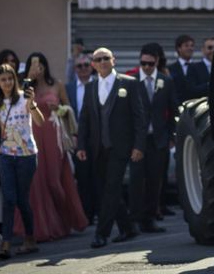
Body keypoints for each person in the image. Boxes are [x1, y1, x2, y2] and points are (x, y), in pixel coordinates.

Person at [76, 47, 146, 248]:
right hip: (98, 147)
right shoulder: (91, 87)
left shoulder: (129, 84)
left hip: (121, 147)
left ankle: (101, 234)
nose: (103, 61)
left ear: (113, 60)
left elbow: (139, 118)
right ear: (93, 65)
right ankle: (128, 227)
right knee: (107, 190)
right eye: (99, 59)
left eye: (106, 58)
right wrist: (81, 145)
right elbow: (85, 119)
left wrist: (138, 145)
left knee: (111, 188)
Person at [15, 52, 87, 242]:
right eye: (33, 65)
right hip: (32, 136)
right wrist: (29, 79)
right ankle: (43, 227)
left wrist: (60, 110)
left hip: (54, 136)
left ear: (46, 66)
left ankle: (66, 219)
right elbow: (18, 106)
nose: (38, 69)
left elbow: (69, 109)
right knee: (36, 183)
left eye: (40, 65)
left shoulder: (57, 84)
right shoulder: (25, 86)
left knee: (54, 182)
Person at [129, 44, 178, 233]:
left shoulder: (166, 81)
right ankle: (134, 219)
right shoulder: (131, 81)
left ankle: (149, 220)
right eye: (143, 63)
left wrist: (171, 135)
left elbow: (174, 109)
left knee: (154, 181)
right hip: (138, 141)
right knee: (135, 180)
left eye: (150, 64)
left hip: (158, 140)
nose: (146, 67)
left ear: (156, 62)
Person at [0, 63, 44, 259]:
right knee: (9, 199)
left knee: (22, 199)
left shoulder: (24, 98)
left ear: (15, 79)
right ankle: (6, 243)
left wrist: (32, 103)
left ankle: (30, 238)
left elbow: (40, 121)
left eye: (10, 78)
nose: (7, 82)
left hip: (27, 155)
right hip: (6, 155)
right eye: (3, 80)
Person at [66, 53, 98, 224]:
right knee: (83, 178)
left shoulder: (99, 84)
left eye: (86, 65)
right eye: (79, 66)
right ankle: (87, 214)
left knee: (100, 176)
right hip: (79, 139)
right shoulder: (69, 88)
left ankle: (102, 212)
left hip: (99, 138)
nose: (84, 68)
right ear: (75, 69)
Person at [167, 35, 195, 104]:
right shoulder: (170, 69)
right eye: (186, 46)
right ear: (179, 48)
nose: (190, 48)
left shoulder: (199, 67)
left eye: (192, 46)